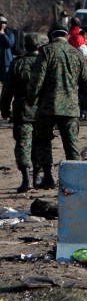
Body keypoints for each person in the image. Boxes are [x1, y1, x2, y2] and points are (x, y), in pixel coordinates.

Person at [26, 25, 87, 189]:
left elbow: (37, 79)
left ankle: (48, 177)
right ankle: (76, 180)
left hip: (47, 106)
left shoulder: (46, 51)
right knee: (71, 144)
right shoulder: (77, 53)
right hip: (70, 107)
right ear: (66, 35)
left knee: (43, 141)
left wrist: (30, 100)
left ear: (51, 36)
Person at [0, 33, 48, 191]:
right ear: (39, 46)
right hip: (43, 109)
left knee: (23, 144)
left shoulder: (17, 63)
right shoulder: (45, 62)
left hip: (22, 109)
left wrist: (5, 109)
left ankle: (26, 179)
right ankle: (37, 177)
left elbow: (7, 89)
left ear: (25, 46)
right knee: (40, 144)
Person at [0, 15, 18, 83]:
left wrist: (3, 34)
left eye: (4, 23)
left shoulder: (9, 33)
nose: (3, 25)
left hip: (6, 62)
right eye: (1, 23)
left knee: (6, 82)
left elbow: (10, 44)